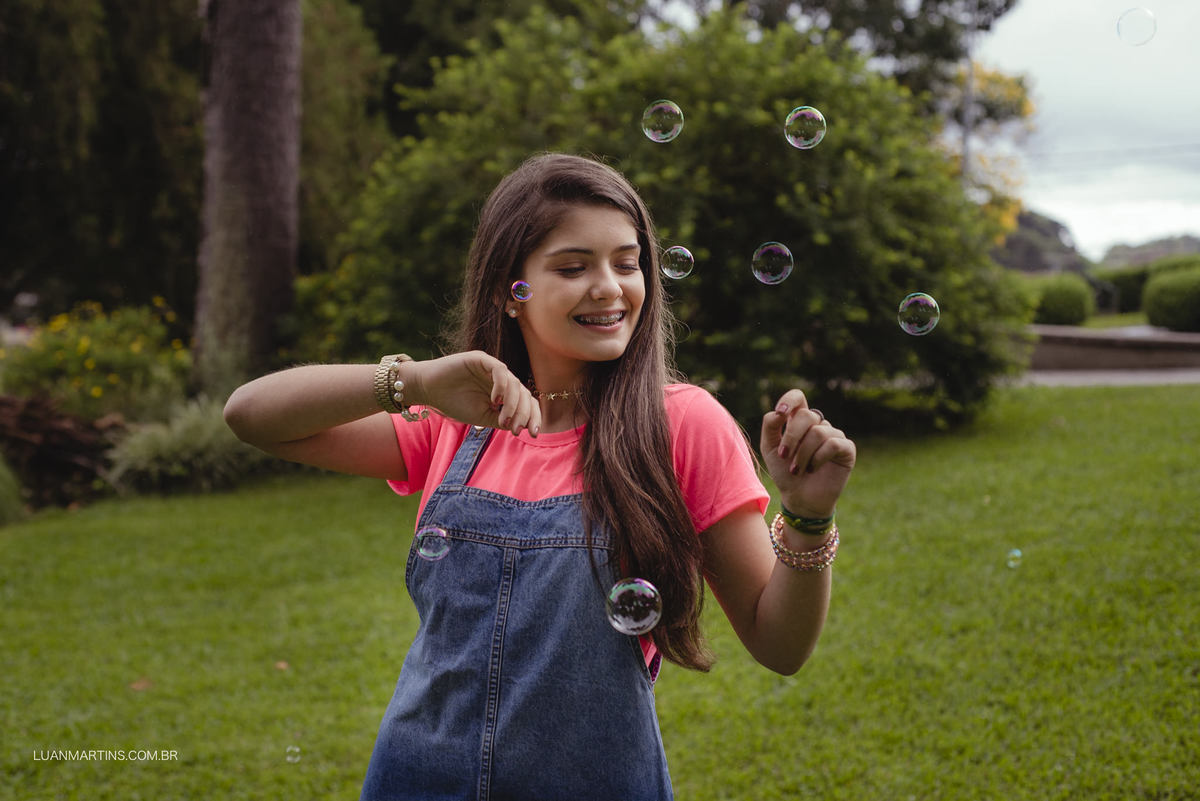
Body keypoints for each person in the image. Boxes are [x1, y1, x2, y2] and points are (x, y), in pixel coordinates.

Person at [223, 152, 856, 800]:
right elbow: (251, 416)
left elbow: (780, 645)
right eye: (573, 267)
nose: (609, 287)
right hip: (417, 777)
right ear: (510, 290)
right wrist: (414, 381)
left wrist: (808, 519)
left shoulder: (682, 424)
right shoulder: (456, 419)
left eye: (626, 262)